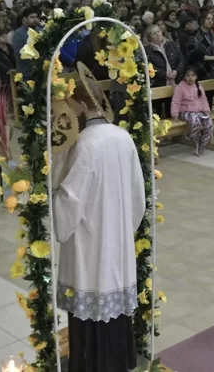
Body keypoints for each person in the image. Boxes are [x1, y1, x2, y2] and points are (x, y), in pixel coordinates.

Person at [53, 75, 145, 372]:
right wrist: (121, 227)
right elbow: (137, 195)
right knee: (114, 312)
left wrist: (50, 192)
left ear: (80, 104)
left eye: (68, 105)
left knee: (90, 306)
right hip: (116, 239)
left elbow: (70, 200)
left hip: (89, 245)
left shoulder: (85, 144)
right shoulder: (123, 135)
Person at [171, 67, 213, 156]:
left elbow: (203, 99)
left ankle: (202, 144)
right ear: (184, 77)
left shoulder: (198, 86)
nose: (190, 78)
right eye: (188, 76)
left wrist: (206, 110)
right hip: (185, 112)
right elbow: (176, 101)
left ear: (196, 77)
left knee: (209, 123)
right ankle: (191, 136)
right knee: (195, 121)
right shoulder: (180, 87)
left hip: (198, 111)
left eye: (193, 75)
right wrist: (175, 114)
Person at [187, 12, 214, 109]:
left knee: (209, 99)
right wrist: (209, 57)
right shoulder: (194, 34)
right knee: (200, 100)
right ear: (202, 20)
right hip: (200, 71)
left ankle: (208, 121)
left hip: (213, 71)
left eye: (212, 19)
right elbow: (192, 53)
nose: (210, 21)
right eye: (208, 18)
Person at [11, 7, 40, 80]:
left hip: (40, 71)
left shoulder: (40, 31)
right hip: (25, 73)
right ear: (24, 19)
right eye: (32, 17)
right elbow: (19, 53)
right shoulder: (18, 33)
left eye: (36, 17)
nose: (35, 19)